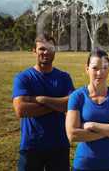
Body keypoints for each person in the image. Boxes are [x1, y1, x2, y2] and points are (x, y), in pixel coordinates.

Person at [12, 33, 75, 171]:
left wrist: (41, 99)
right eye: (42, 49)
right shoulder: (23, 78)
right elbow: (21, 110)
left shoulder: (64, 77)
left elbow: (70, 104)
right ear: (34, 51)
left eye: (50, 48)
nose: (46, 52)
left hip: (59, 144)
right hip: (31, 145)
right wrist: (58, 105)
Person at [66, 49, 109, 171]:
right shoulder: (77, 96)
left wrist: (90, 125)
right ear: (87, 69)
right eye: (95, 68)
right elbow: (72, 134)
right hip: (84, 165)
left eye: (104, 68)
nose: (100, 72)